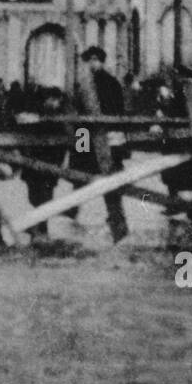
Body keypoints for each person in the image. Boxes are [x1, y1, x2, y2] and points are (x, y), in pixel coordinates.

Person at [67, 46, 129, 244]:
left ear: (102, 61)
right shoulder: (83, 85)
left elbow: (118, 111)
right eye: (89, 60)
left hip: (106, 136)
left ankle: (117, 220)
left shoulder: (111, 84)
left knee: (110, 178)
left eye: (96, 60)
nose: (93, 64)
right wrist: (80, 142)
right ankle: (73, 207)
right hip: (86, 133)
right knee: (79, 169)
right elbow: (78, 111)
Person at [18, 85, 68, 237]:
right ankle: (38, 225)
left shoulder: (59, 118)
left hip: (50, 163)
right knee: (33, 196)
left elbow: (66, 140)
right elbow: (24, 133)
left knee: (45, 196)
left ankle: (42, 228)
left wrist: (64, 160)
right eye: (52, 100)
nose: (55, 104)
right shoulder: (35, 114)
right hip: (33, 163)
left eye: (57, 101)